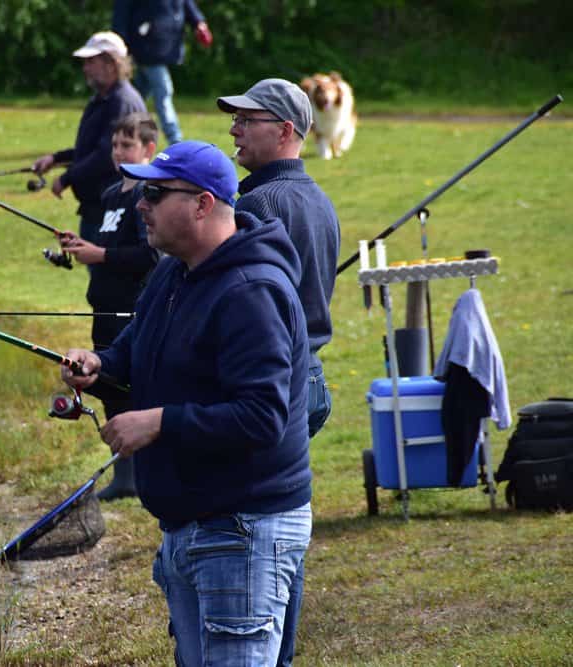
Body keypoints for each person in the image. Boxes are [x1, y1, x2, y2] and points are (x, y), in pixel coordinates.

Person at [61, 140, 312, 665]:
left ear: (201, 204)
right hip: (191, 525)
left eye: (155, 192)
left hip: (242, 529)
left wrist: (159, 423)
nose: (140, 204)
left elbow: (262, 417)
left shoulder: (250, 291)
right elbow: (136, 351)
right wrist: (100, 367)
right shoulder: (172, 272)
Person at [216, 77, 341, 667]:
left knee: (259, 530)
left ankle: (268, 651)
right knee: (280, 526)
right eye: (235, 119)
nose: (234, 129)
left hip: (276, 383)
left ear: (285, 130)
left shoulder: (256, 204)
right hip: (310, 377)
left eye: (248, 120)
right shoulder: (318, 197)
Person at [60, 112, 160, 500]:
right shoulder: (109, 194)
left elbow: (149, 256)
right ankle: (125, 471)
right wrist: (75, 249)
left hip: (130, 309)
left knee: (127, 386)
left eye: (127, 145)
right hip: (102, 306)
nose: (118, 152)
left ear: (149, 150)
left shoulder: (146, 194)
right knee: (107, 387)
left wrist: (99, 254)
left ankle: (133, 474)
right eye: (116, 145)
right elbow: (102, 248)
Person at [33, 31, 146, 245]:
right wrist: (55, 158)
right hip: (95, 207)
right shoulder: (102, 99)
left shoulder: (121, 102)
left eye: (91, 62)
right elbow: (89, 148)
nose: (85, 68)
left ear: (112, 64)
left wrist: (67, 178)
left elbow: (106, 156)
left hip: (111, 208)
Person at [112, 0, 213, 145]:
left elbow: (186, 5)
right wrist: (121, 46)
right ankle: (175, 139)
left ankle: (117, 127)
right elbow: (121, 16)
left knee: (138, 95)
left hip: (165, 47)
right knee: (163, 91)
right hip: (145, 47)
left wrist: (198, 23)